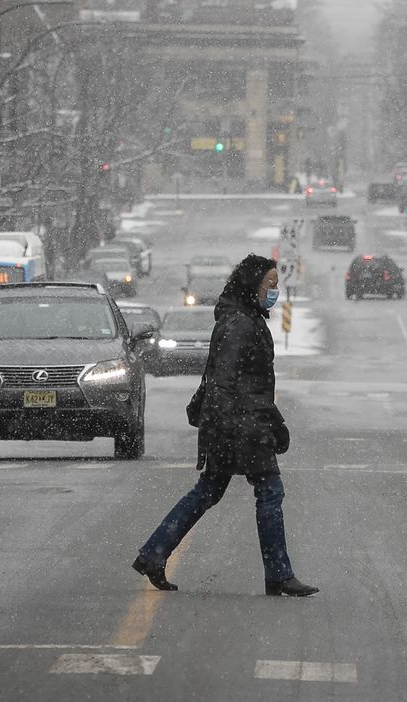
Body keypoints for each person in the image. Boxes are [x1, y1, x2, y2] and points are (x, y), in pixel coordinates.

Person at [133, 254, 318, 597]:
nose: (274, 292)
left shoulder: (240, 319)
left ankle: (153, 553)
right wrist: (251, 425)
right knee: (269, 492)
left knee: (208, 491)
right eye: (270, 284)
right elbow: (226, 381)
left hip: (233, 424)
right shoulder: (242, 325)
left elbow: (237, 382)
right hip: (242, 427)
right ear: (253, 285)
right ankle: (278, 573)